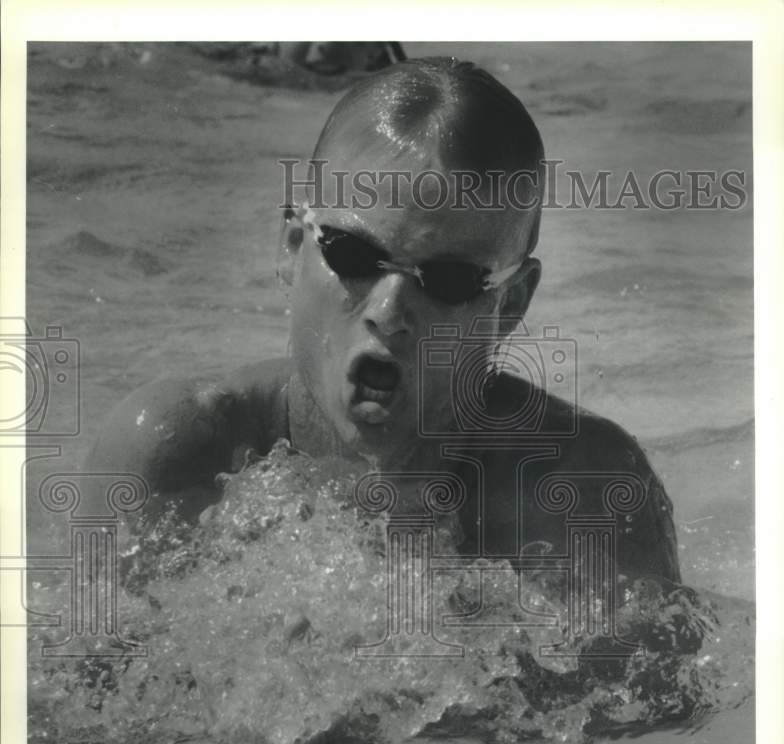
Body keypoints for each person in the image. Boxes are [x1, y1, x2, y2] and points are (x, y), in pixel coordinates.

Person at [87, 57, 680, 584]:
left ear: (511, 304)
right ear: (293, 248)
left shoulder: (585, 492)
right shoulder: (178, 452)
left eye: (449, 280)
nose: (390, 311)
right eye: (354, 256)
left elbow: (674, 706)